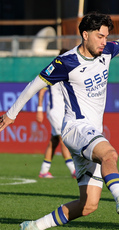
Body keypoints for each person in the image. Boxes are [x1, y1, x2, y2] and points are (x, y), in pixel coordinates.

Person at [0, 7, 119, 230]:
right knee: (110, 154)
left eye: (106, 36)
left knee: (89, 205)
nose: (105, 42)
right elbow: (35, 84)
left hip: (91, 133)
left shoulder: (106, 53)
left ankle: (33, 226)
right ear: (85, 35)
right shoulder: (65, 62)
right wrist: (11, 114)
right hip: (76, 128)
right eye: (100, 36)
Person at [36, 48, 76, 179]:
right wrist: (39, 110)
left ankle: (44, 170)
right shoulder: (55, 70)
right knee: (63, 139)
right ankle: (73, 170)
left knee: (54, 141)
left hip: (60, 112)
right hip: (55, 112)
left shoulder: (68, 70)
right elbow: (41, 90)